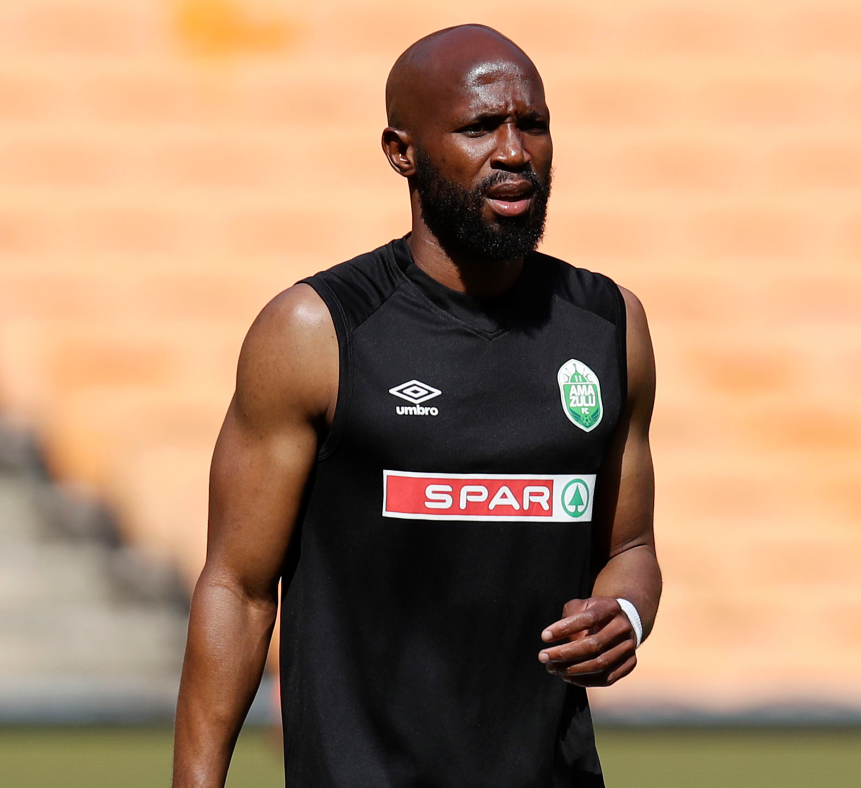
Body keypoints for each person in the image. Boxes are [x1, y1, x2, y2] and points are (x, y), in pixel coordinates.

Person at [172, 23, 661, 788]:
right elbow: (236, 587)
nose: (513, 152)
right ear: (401, 152)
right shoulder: (315, 332)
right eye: (478, 127)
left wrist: (625, 615)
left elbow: (629, 552)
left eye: (531, 124)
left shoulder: (609, 324)